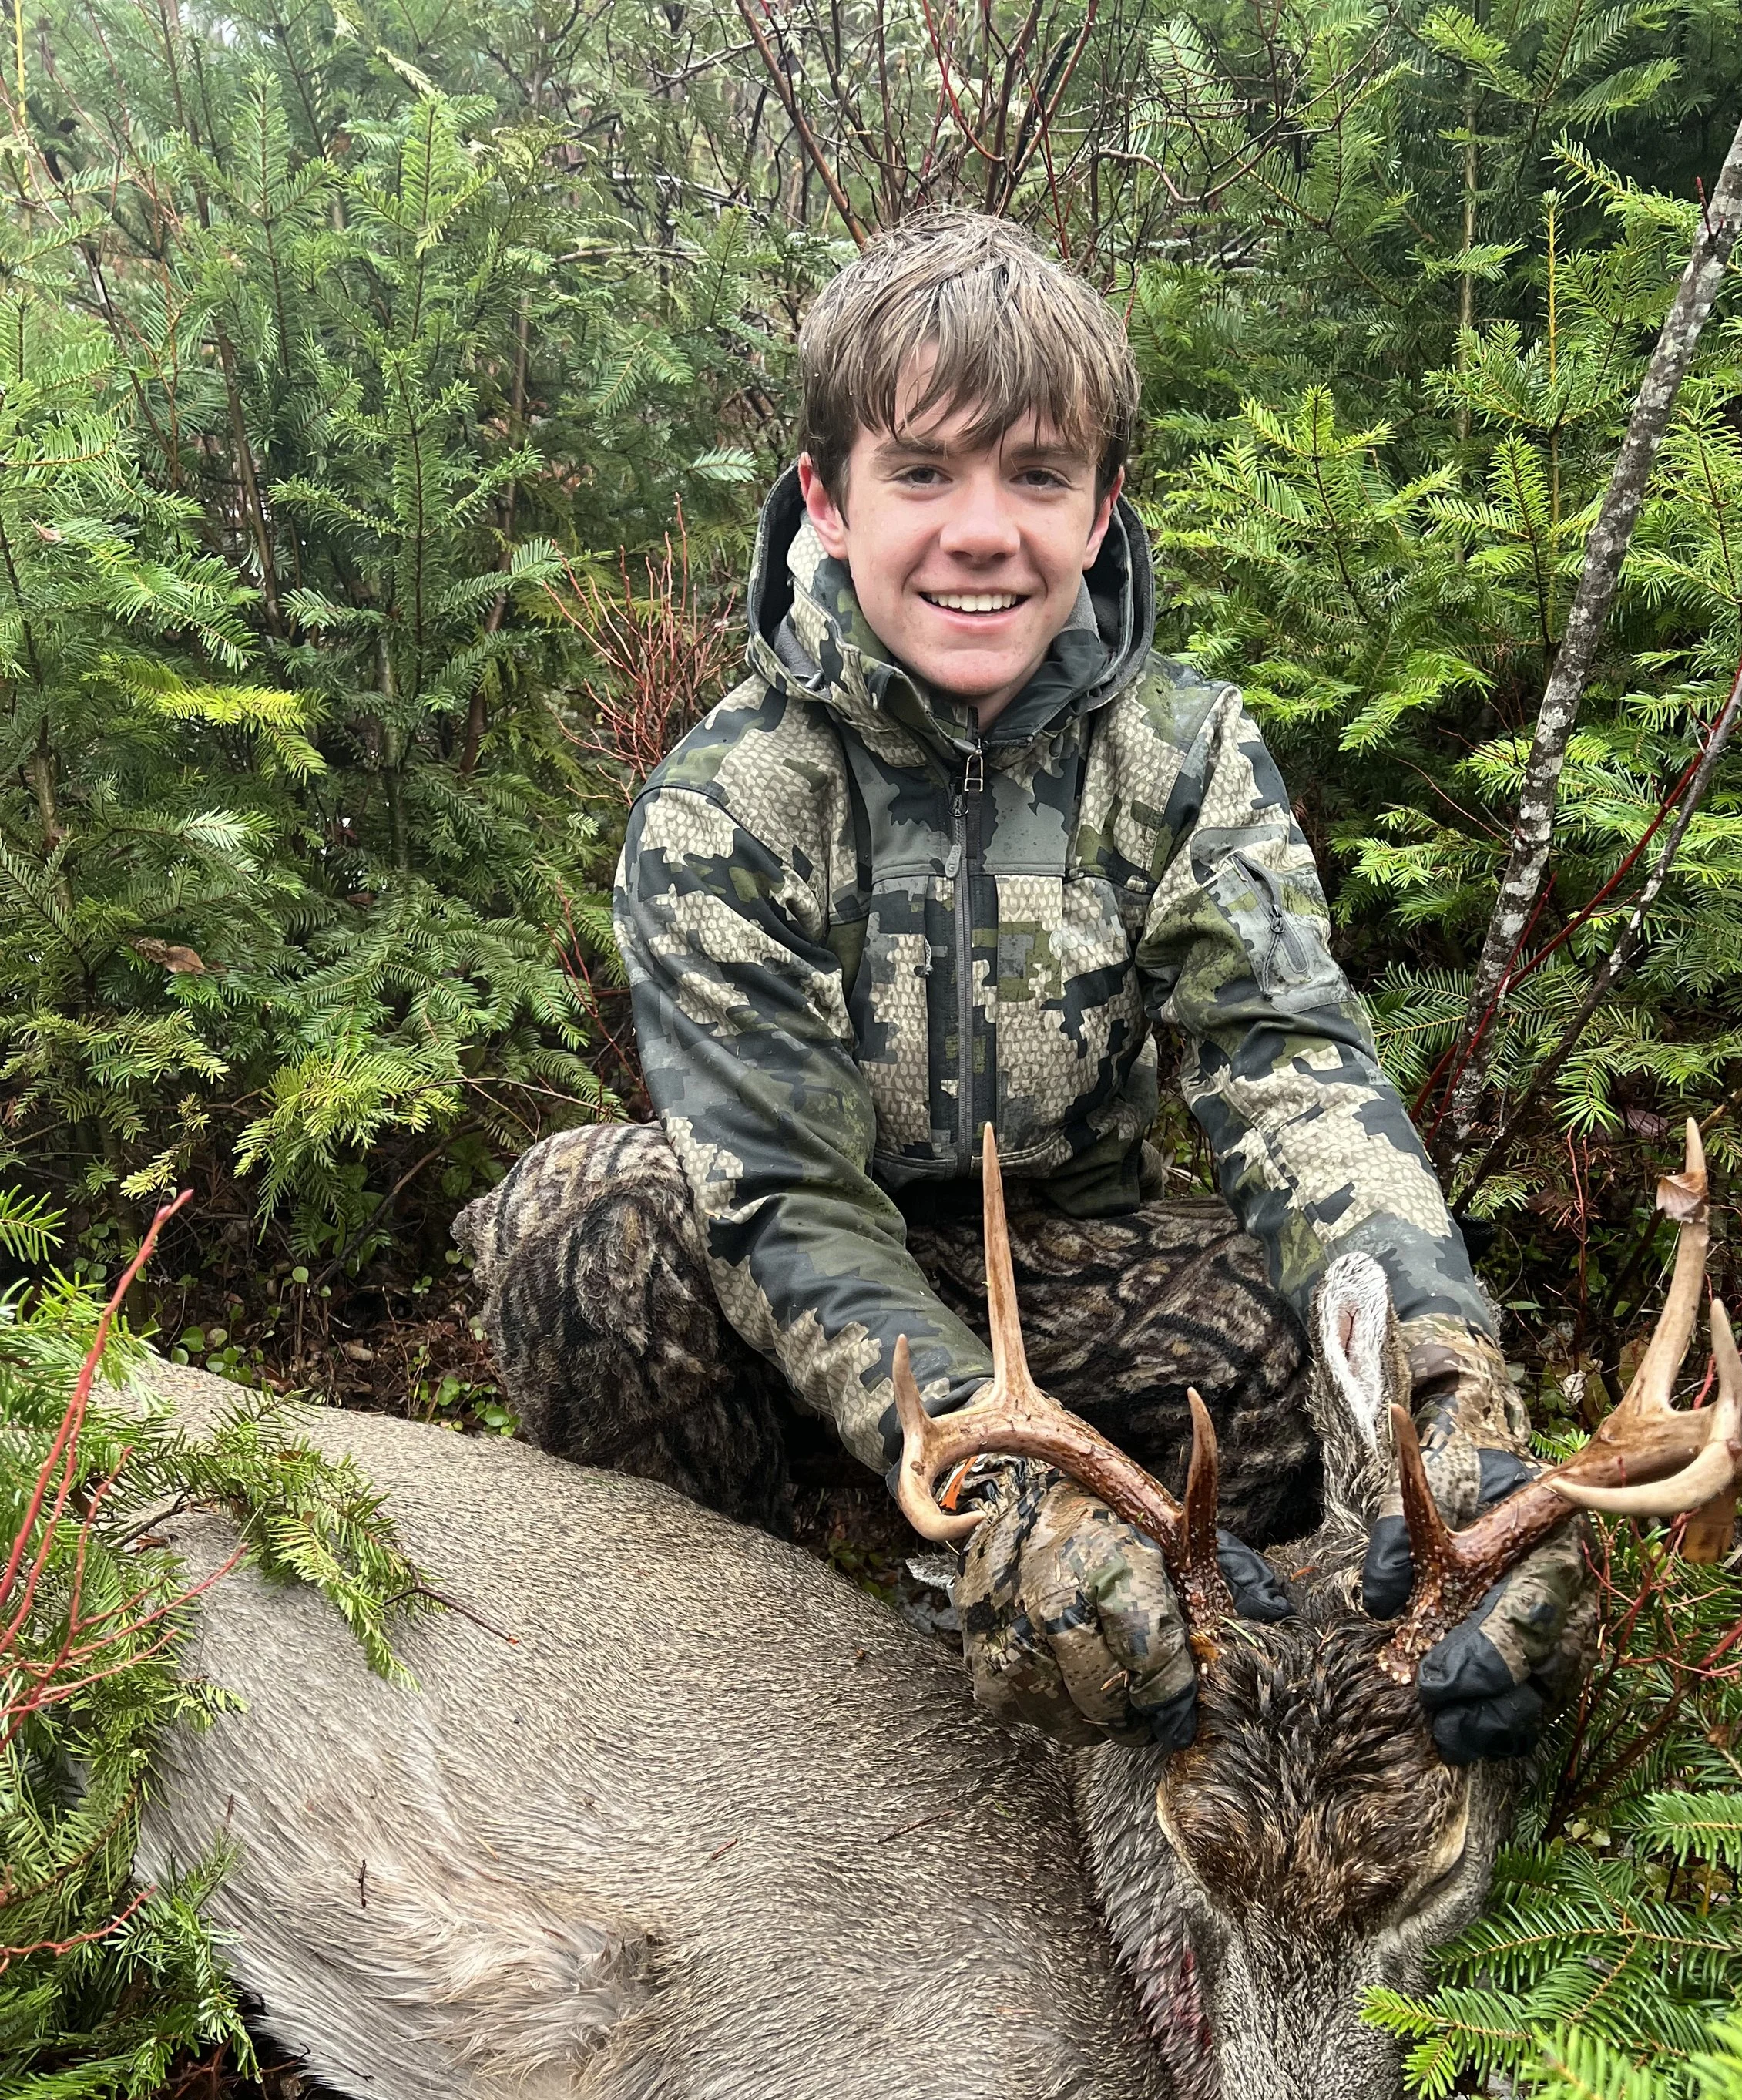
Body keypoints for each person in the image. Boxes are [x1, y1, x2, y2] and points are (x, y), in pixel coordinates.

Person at [458, 211, 1585, 1761]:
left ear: (1101, 505)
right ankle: (733, 1651)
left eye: (1035, 476)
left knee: (1285, 1339)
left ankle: (1184, 1642)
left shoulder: (1182, 757)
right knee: (577, 1226)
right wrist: (1009, 1483)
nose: (981, 531)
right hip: (807, 1298)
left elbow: (1290, 1073)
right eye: (921, 472)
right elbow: (782, 1198)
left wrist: (1451, 1414)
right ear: (828, 501)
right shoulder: (730, 799)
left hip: (1066, 1279)